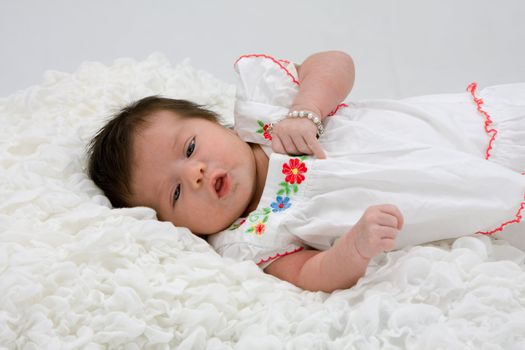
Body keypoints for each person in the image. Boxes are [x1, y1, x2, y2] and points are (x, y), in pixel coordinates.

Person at [88, 51, 525, 292]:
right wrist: (352, 250)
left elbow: (336, 61)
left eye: (189, 147)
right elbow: (307, 274)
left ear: (216, 123)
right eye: (176, 194)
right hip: (454, 190)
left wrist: (308, 108)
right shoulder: (251, 239)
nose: (196, 173)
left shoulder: (267, 117)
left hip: (465, 129)